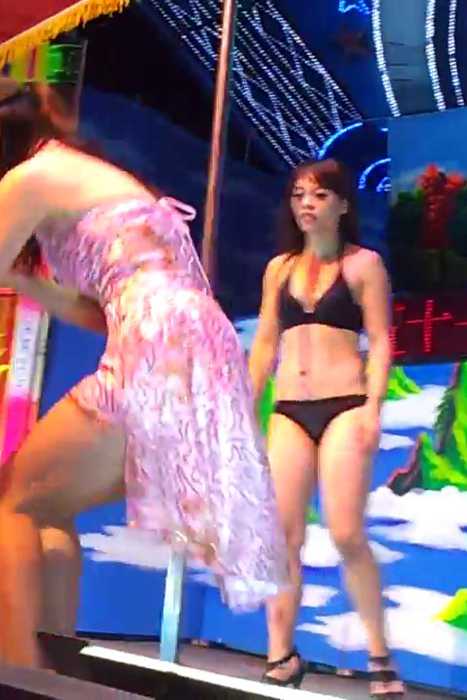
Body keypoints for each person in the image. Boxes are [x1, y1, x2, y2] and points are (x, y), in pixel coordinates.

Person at [0, 76, 288, 668]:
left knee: (11, 502)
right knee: (47, 505)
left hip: (158, 338)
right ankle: (53, 676)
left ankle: (18, 672)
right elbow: (98, 310)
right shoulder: (83, 171)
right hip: (195, 342)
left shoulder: (28, 178)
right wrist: (24, 281)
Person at [249, 158, 405, 697]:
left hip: (345, 405)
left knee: (345, 532)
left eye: (318, 195)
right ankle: (281, 654)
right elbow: (265, 343)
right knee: (284, 537)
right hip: (289, 409)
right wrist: (246, 406)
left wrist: (374, 408)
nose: (306, 205)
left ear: (341, 204)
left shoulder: (364, 265)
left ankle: (380, 655)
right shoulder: (278, 268)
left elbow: (380, 342)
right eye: (298, 195)